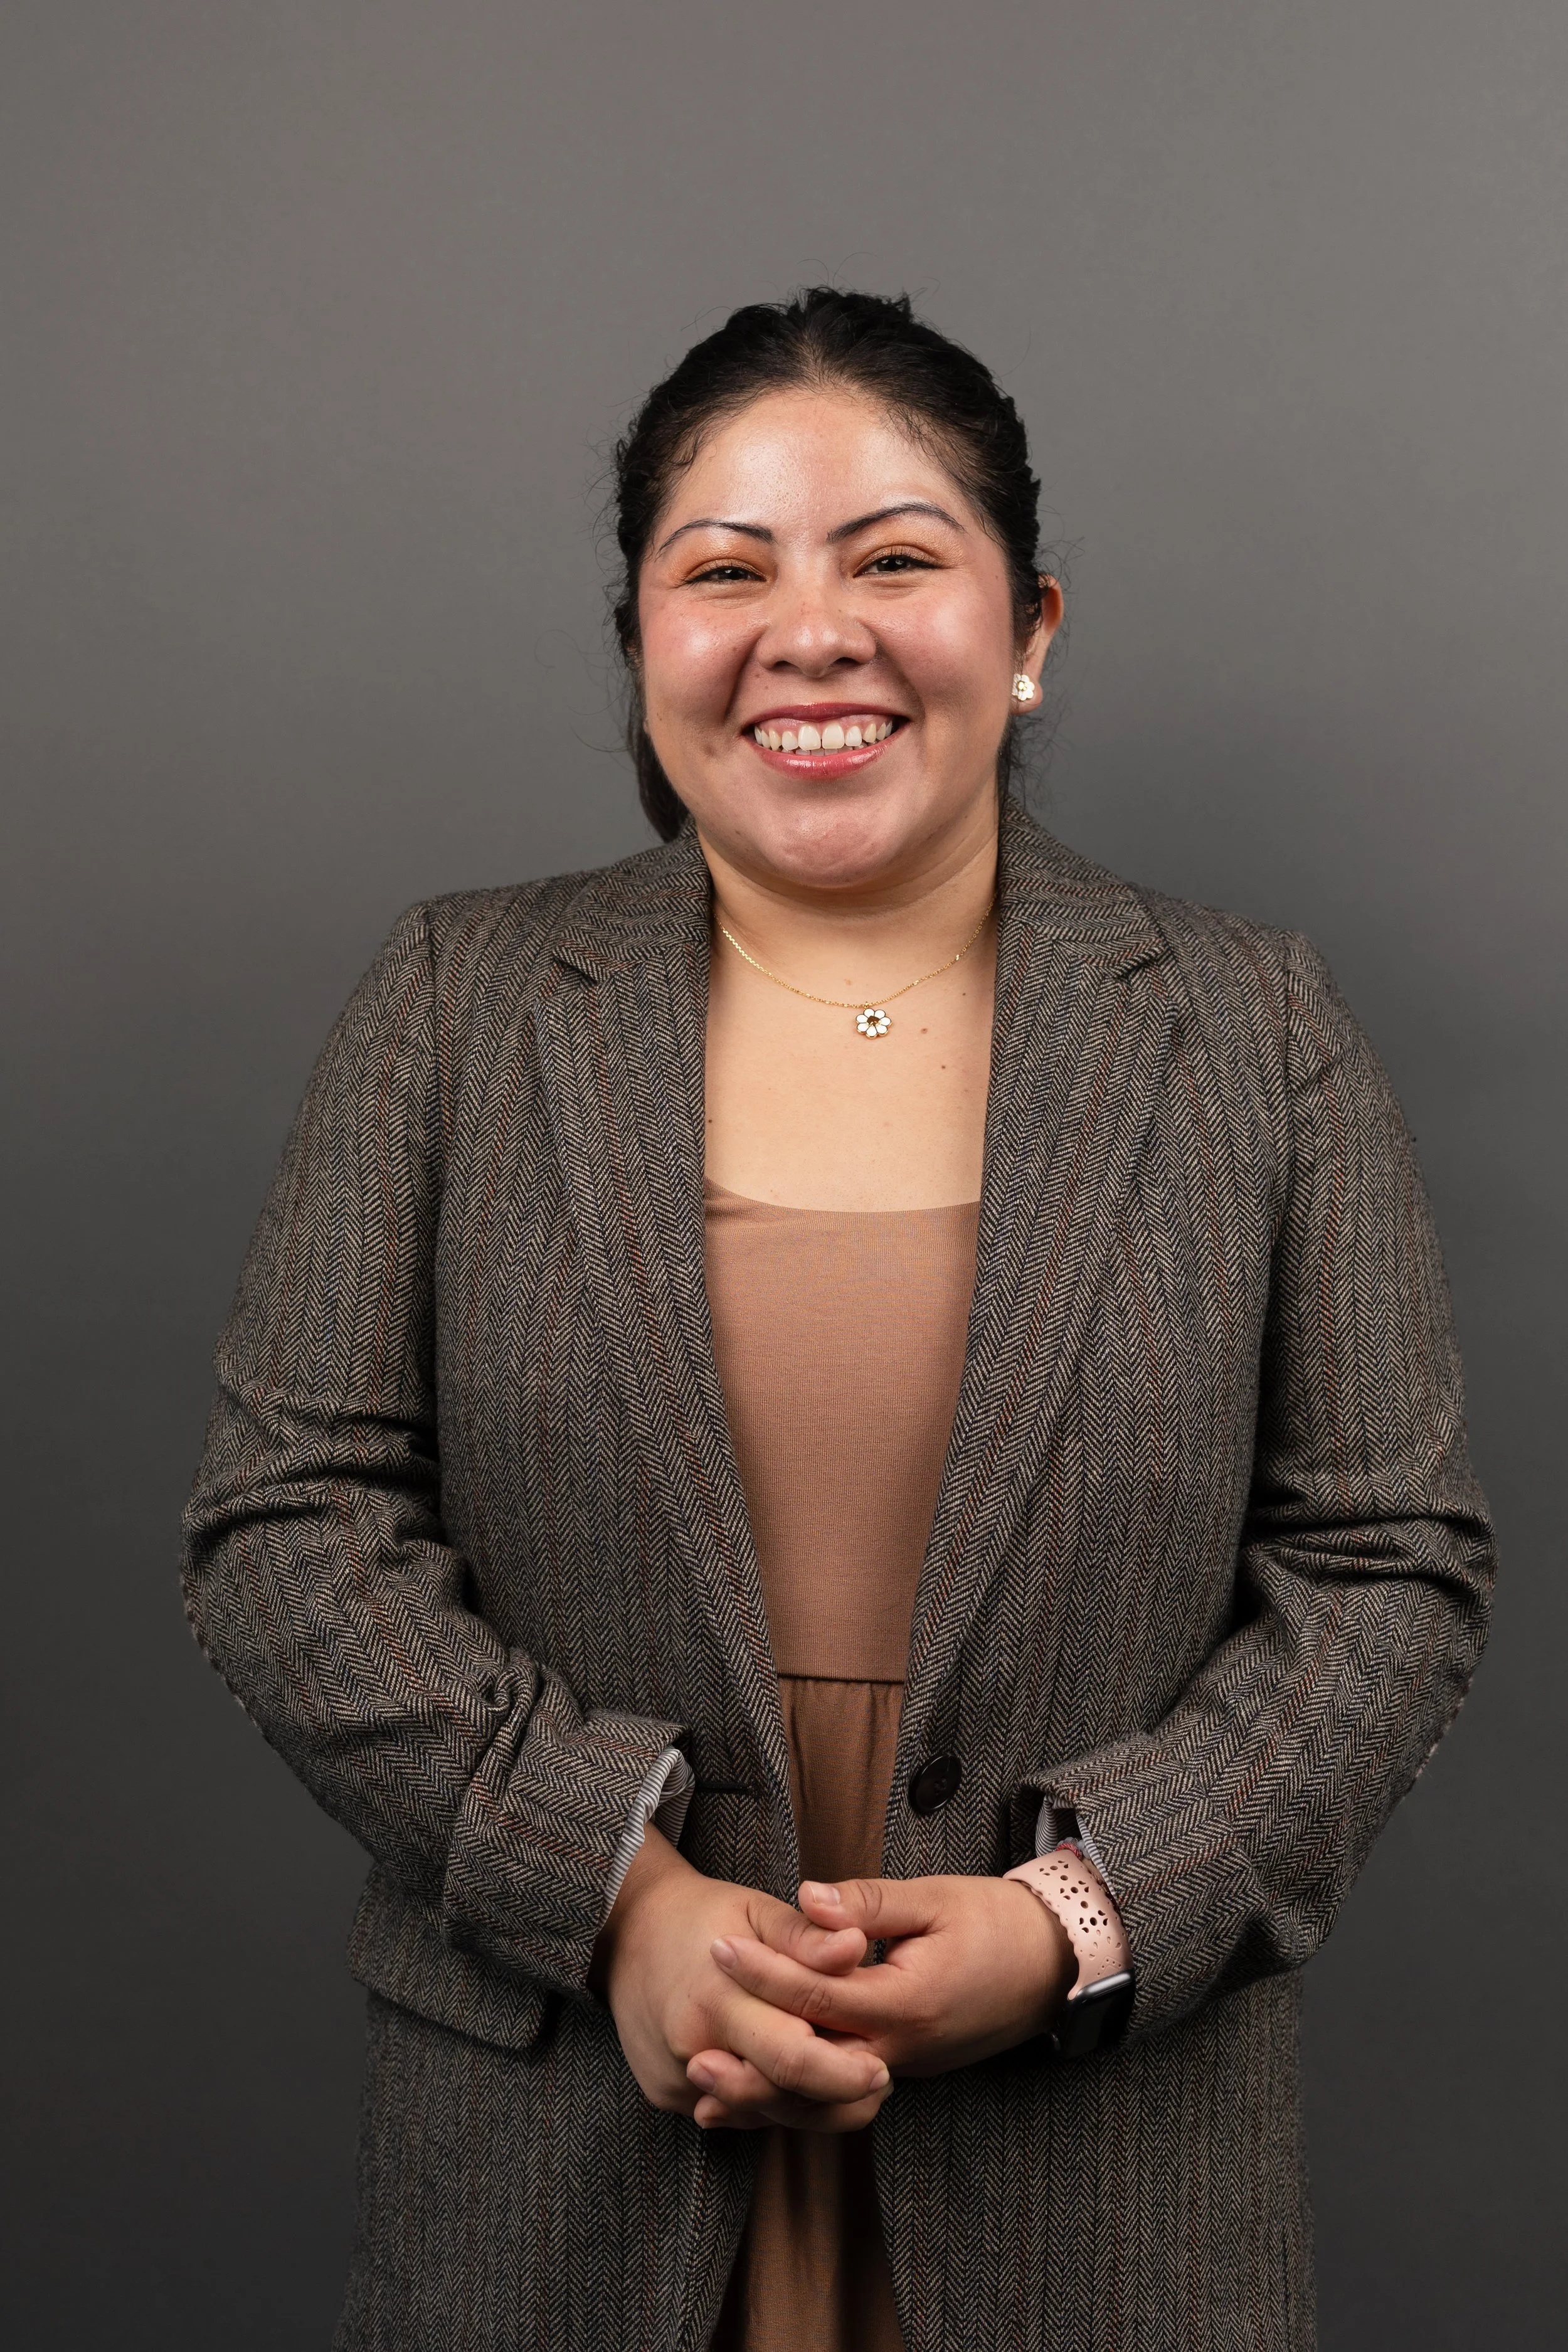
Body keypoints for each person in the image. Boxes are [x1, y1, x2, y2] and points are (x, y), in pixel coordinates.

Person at [181, 288, 1495, 2352]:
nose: (813, 631)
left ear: (1029, 622)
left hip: (1098, 2178)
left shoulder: (1254, 1030)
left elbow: (1386, 1565)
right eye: (725, 569)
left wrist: (1070, 1922)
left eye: (894, 556)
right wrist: (612, 1896)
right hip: (564, 2169)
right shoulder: (452, 1005)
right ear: (639, 641)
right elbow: (284, 1519)